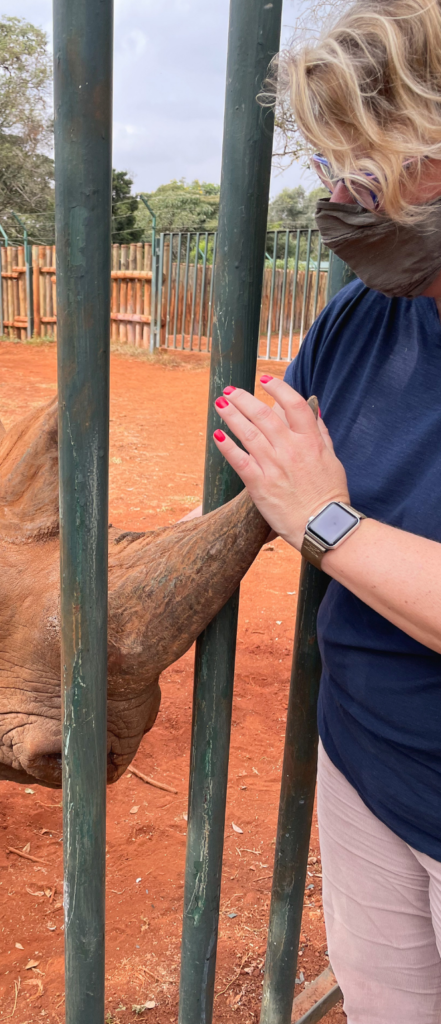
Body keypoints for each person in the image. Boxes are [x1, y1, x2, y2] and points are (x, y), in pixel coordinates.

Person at [212, 2, 441, 1020]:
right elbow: (281, 474)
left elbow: (311, 505)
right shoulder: (368, 310)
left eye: (379, 153)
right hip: (364, 761)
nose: (345, 191)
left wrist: (329, 522)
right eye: (331, 155)